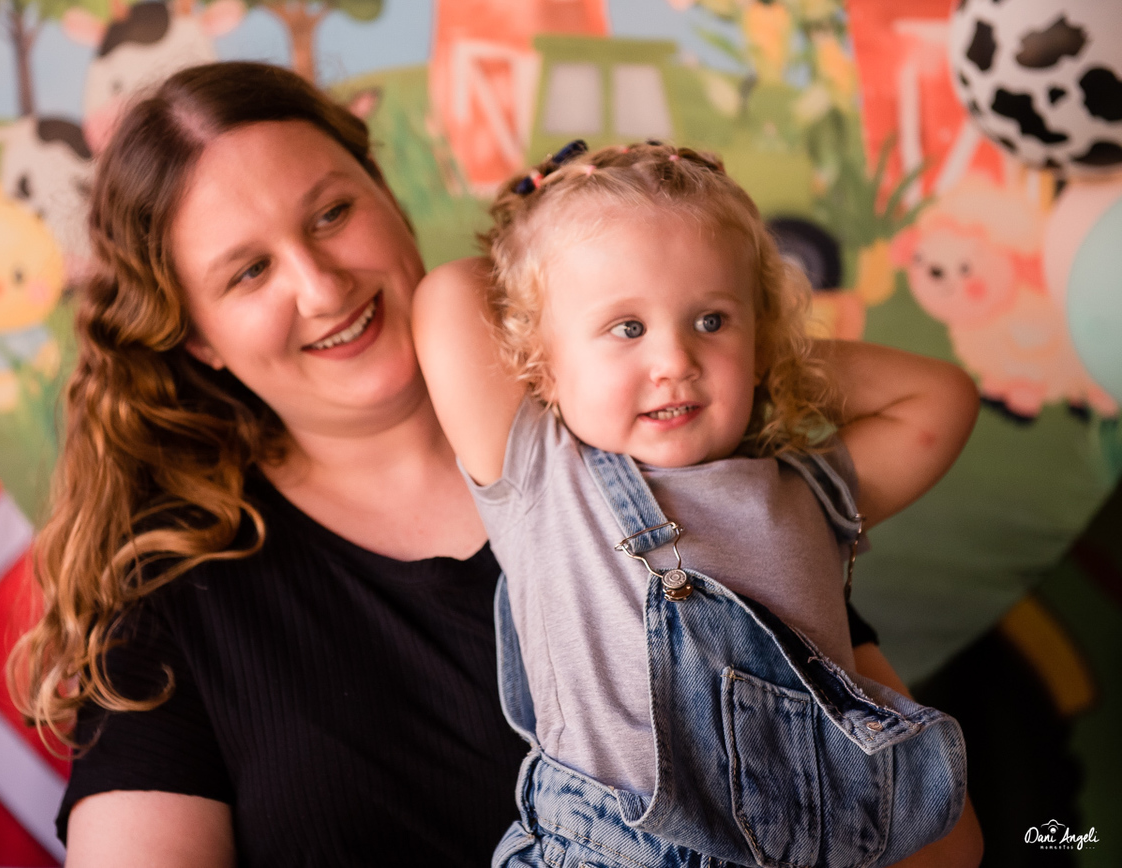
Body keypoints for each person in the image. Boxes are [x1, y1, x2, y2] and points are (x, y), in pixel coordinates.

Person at [0, 63, 974, 868]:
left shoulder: (670, 474)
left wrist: (701, 330)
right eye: (248, 271)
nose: (321, 285)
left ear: (387, 195)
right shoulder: (174, 599)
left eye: (332, 213)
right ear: (199, 337)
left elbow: (941, 841)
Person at [413, 142, 984, 867]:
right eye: (628, 328)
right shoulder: (543, 478)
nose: (676, 362)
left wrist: (769, 357)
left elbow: (940, 399)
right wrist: (552, 199)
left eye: (711, 321)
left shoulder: (807, 495)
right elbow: (450, 295)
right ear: (542, 365)